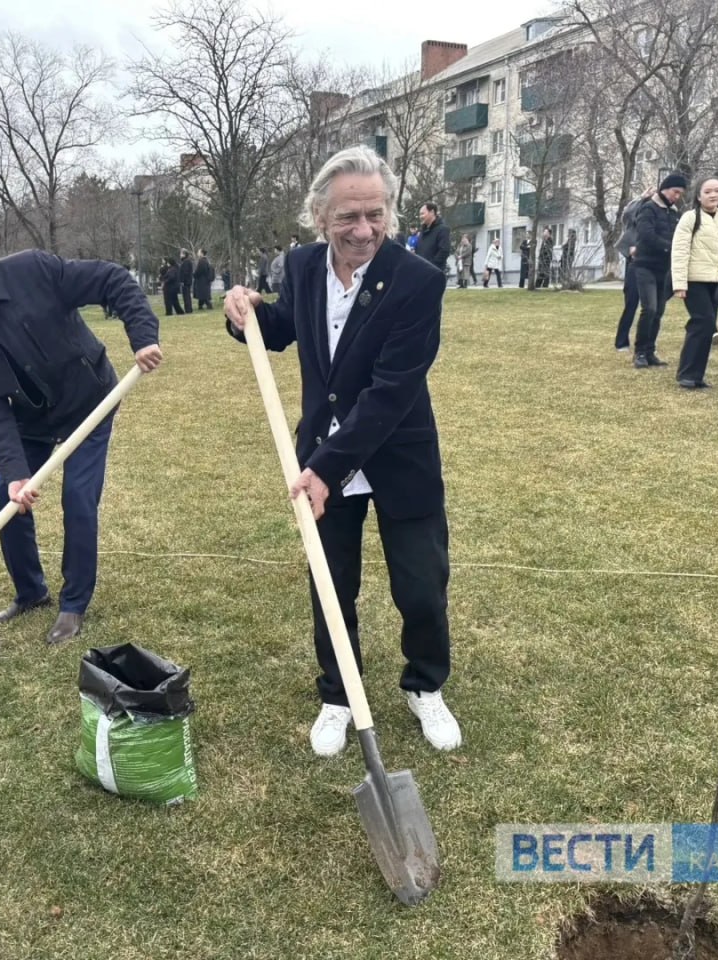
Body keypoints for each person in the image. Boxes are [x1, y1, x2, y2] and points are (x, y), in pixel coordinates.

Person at [222, 146, 459, 757]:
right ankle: (338, 695)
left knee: (421, 584)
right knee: (330, 582)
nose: (364, 231)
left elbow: (390, 392)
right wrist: (243, 313)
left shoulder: (417, 283)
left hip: (396, 453)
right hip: (321, 458)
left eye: (375, 215)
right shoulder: (301, 267)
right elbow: (280, 329)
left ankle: (424, 684)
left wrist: (326, 467)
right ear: (319, 217)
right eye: (348, 217)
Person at [0, 231, 162, 645]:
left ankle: (73, 605)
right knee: (5, 494)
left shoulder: (33, 272)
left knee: (78, 496)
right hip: (30, 419)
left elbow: (112, 279)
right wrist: (15, 472)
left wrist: (143, 335)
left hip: (89, 400)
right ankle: (30, 593)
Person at [670, 177, 718, 389]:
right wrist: (679, 284)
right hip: (694, 281)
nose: (713, 195)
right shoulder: (690, 218)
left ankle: (696, 376)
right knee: (703, 321)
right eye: (708, 191)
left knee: (707, 325)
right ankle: (687, 374)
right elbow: (680, 251)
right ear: (699, 195)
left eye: (717, 191)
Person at [631, 172, 688, 368]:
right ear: (665, 188)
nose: (677, 197)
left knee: (659, 311)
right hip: (645, 265)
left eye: (680, 194)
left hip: (664, 268)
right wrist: (670, 247)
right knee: (650, 308)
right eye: (675, 192)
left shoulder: (673, 213)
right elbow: (646, 235)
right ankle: (639, 352)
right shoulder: (648, 209)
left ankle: (649, 351)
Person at [614, 188, 655, 354]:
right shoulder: (636, 212)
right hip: (635, 263)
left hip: (654, 263)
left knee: (652, 308)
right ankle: (621, 342)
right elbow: (627, 216)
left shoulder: (662, 213)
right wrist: (642, 198)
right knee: (631, 303)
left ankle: (647, 345)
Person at [415, 202, 451, 279]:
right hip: (421, 273)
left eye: (422, 214)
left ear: (432, 212)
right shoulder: (422, 232)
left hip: (434, 274)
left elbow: (444, 251)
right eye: (420, 214)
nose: (420, 217)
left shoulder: (443, 230)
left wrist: (431, 267)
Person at [178, 249, 194, 314]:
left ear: (184, 254)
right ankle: (188, 309)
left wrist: (182, 281)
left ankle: (188, 309)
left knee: (186, 296)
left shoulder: (186, 262)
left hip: (186, 282)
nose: (180, 255)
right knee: (186, 296)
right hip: (187, 281)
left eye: (181, 254)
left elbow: (185, 272)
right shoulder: (186, 261)